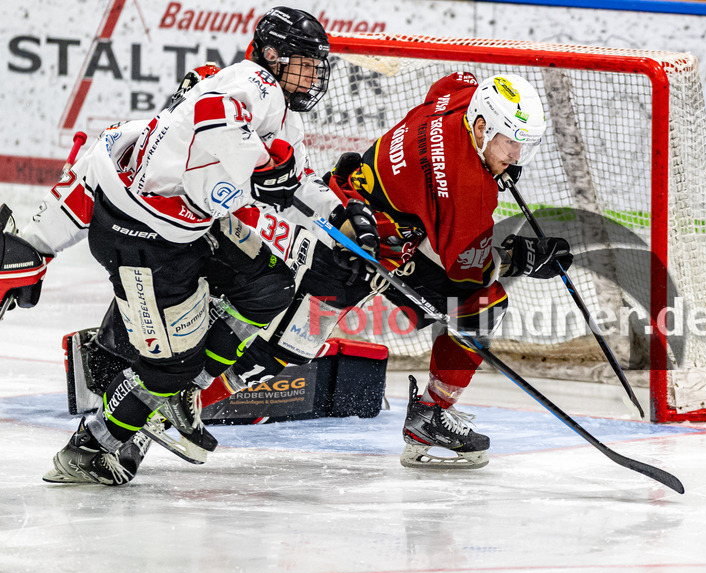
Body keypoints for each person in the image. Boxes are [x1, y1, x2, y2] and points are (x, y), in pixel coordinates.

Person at [28, 6, 354, 486]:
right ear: (272, 55)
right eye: (306, 62)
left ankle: (188, 392)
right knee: (166, 368)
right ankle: (88, 446)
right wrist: (261, 166)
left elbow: (296, 181)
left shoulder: (282, 114)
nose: (314, 75)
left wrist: (343, 216)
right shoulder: (253, 81)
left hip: (192, 226)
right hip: (143, 236)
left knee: (270, 286)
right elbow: (213, 122)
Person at [208, 71, 574, 470]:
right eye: (511, 142)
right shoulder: (467, 186)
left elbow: (450, 81)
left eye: (523, 144)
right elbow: (468, 270)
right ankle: (158, 405)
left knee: (479, 306)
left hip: (361, 216)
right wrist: (525, 257)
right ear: (483, 127)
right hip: (344, 247)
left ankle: (427, 419)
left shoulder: (461, 98)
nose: (516, 155)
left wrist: (495, 161)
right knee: (279, 350)